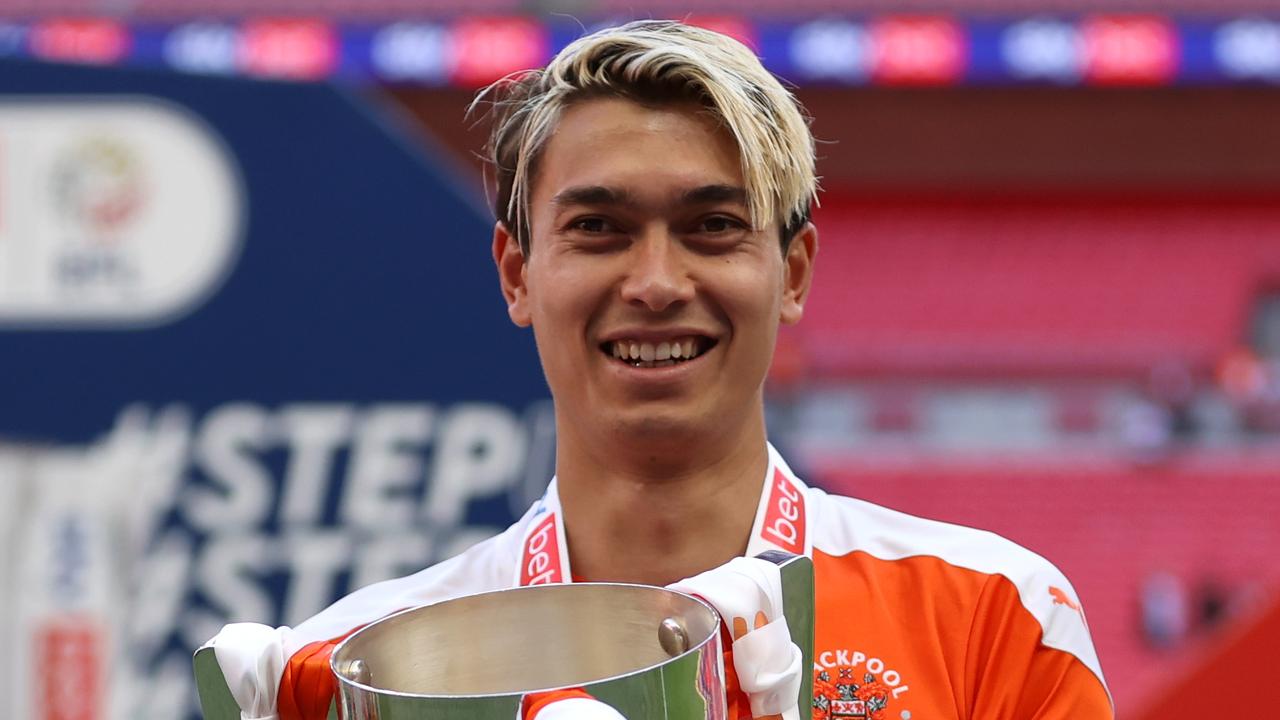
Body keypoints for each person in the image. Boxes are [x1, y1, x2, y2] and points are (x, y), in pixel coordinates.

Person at [205, 20, 1112, 720]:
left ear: (790, 272)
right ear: (518, 274)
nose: (655, 283)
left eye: (713, 227)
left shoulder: (994, 615)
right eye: (598, 229)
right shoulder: (364, 673)